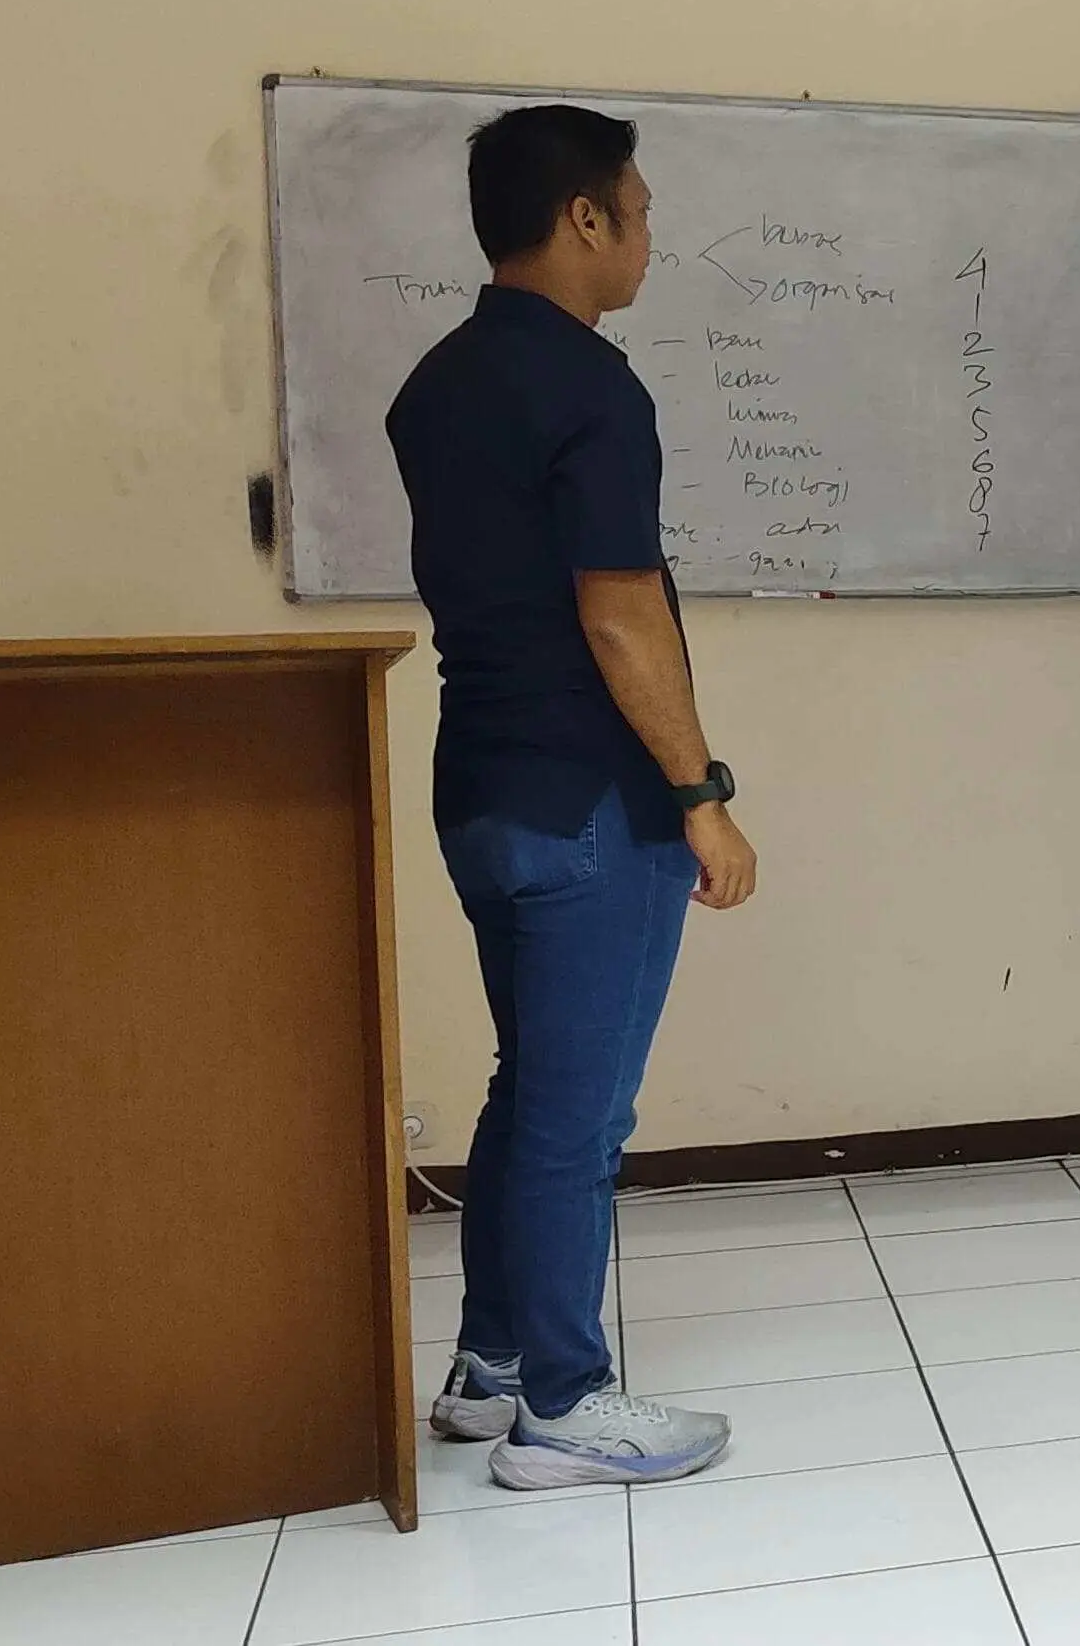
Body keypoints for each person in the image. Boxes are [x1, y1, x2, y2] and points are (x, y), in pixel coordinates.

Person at [384, 105, 760, 1491]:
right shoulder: (592, 387)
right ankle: (561, 1403)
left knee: (530, 1088)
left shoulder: (436, 383)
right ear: (581, 218)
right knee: (578, 1116)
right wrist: (699, 793)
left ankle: (490, 1368)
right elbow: (618, 612)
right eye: (639, 213)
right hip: (592, 798)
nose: (649, 238)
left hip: (480, 786)